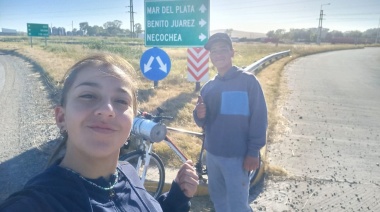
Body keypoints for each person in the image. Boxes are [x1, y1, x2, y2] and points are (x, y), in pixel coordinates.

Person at [0, 53, 199, 212]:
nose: (107, 110)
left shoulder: (128, 173)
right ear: (61, 117)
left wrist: (176, 199)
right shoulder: (35, 204)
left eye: (121, 101)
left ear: (131, 122)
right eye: (88, 95)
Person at [193, 33, 268, 212]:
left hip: (238, 157)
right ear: (210, 56)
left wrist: (253, 152)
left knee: (237, 205)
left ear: (232, 52)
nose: (218, 54)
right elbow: (201, 121)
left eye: (223, 50)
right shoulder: (208, 87)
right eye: (214, 51)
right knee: (219, 201)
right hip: (212, 155)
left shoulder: (248, 82)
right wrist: (199, 114)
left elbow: (259, 119)